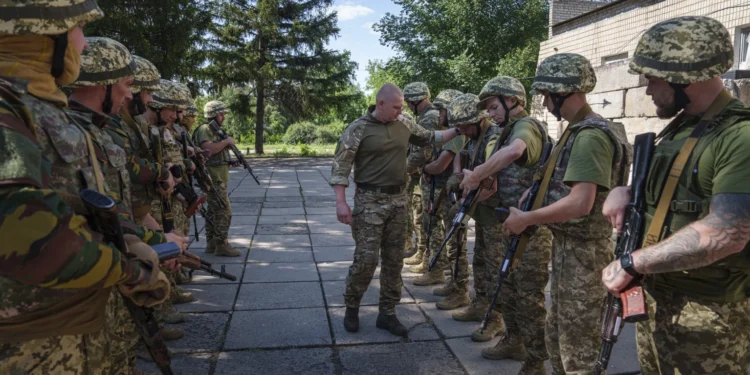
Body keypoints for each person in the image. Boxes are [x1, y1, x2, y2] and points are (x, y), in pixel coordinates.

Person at [0, 4, 169, 372]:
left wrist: (130, 238)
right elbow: (25, 234)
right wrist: (129, 270)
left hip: (70, 327)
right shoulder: (8, 105)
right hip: (29, 345)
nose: (84, 45)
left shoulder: (40, 106)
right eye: (76, 28)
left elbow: (80, 199)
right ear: (42, 33)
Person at [602, 16, 750, 374]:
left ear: (686, 77)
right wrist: (624, 192)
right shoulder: (682, 129)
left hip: (707, 316)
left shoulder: (738, 136)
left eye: (652, 79)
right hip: (659, 298)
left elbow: (728, 233)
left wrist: (631, 263)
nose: (647, 90)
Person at [503, 53, 631, 374]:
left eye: (547, 94)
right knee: (559, 341)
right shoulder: (576, 130)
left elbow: (581, 202)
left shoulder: (589, 136)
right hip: (570, 251)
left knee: (578, 353)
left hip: (584, 257)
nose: (544, 102)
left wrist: (526, 219)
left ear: (565, 92)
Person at [66, 36, 180, 374]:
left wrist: (148, 242)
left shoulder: (94, 132)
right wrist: (149, 247)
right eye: (128, 85)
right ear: (101, 84)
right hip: (88, 284)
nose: (132, 95)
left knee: (120, 350)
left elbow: (113, 210)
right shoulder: (66, 134)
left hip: (114, 266)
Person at [331, 83, 460, 337]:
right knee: (366, 260)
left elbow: (431, 137)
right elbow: (340, 166)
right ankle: (352, 306)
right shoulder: (359, 128)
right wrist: (340, 201)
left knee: (393, 261)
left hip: (399, 201)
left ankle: (387, 313)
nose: (401, 111)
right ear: (380, 104)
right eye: (397, 107)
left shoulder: (404, 123)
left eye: (403, 106)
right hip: (369, 202)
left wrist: (460, 129)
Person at [459, 77, 552, 374]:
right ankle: (515, 340)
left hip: (531, 230)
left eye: (494, 106)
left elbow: (514, 152)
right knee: (508, 289)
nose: (490, 113)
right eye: (487, 108)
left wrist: (477, 174)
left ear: (513, 101)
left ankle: (536, 360)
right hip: (512, 223)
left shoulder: (526, 126)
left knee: (528, 296)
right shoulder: (507, 129)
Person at [441, 93, 506, 342]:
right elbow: (462, 152)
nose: (463, 132)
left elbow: (492, 181)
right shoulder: (475, 137)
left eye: (465, 126)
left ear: (478, 120)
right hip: (483, 212)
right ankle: (480, 305)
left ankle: (496, 319)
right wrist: (457, 174)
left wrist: (465, 203)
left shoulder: (493, 138)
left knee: (494, 270)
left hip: (496, 214)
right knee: (480, 261)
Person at [115, 55, 176, 232]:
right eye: (148, 93)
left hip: (139, 213)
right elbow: (128, 164)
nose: (150, 101)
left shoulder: (132, 124)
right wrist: (162, 172)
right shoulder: (117, 124)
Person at [417, 89, 466, 304]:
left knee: (455, 242)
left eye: (442, 110)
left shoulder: (458, 135)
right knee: (449, 240)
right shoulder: (451, 133)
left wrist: (425, 170)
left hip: (452, 196)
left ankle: (459, 289)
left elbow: (440, 165)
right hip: (446, 191)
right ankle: (454, 284)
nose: (439, 114)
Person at [193, 100, 241, 257]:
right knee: (224, 210)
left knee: (214, 210)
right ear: (213, 114)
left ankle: (212, 243)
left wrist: (229, 160)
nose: (224, 116)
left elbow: (215, 153)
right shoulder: (205, 129)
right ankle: (221, 244)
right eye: (221, 113)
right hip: (213, 177)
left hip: (218, 175)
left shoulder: (214, 130)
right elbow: (208, 149)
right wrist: (226, 142)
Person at [402, 82, 435, 272]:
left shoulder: (429, 118)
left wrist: (403, 170)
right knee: (420, 217)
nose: (406, 106)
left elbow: (423, 151)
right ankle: (423, 253)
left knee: (423, 218)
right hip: (423, 173)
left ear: (416, 100)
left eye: (408, 102)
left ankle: (427, 256)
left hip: (428, 175)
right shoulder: (424, 116)